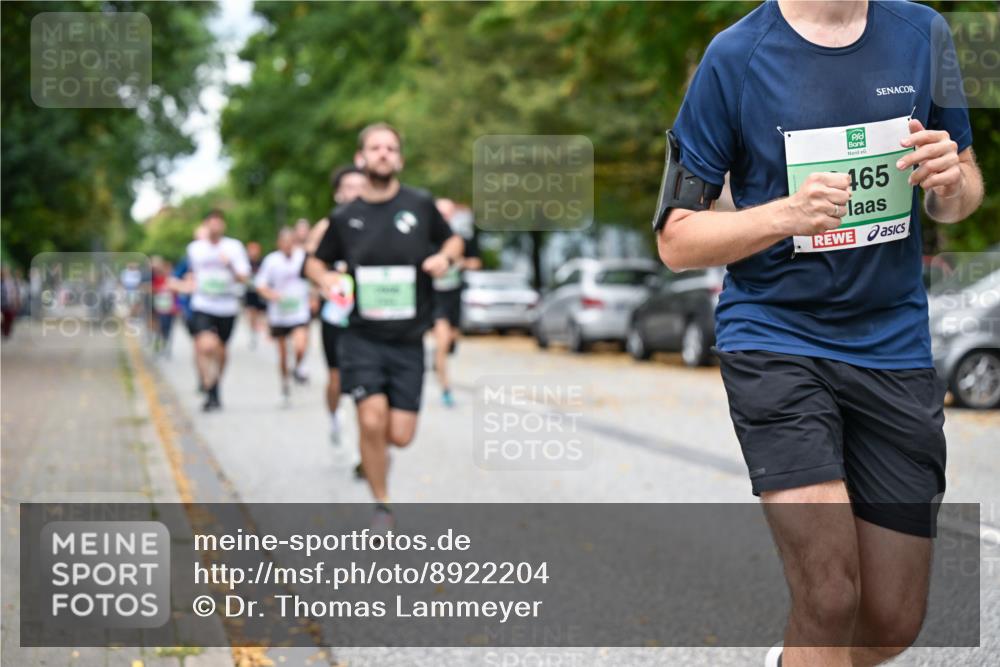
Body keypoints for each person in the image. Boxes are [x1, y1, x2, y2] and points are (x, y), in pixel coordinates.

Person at [654, 2, 984, 666]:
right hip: (776, 338)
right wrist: (786, 215)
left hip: (893, 344)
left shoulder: (924, 35)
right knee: (830, 595)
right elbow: (676, 239)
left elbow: (962, 186)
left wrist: (950, 183)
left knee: (892, 618)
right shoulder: (735, 56)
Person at [305, 123, 463, 531]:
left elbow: (454, 242)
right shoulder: (345, 217)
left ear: (400, 159)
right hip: (361, 337)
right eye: (375, 147)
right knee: (371, 420)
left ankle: (375, 457)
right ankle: (382, 504)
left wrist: (444, 258)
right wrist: (325, 280)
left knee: (400, 434)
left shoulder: (420, 204)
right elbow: (314, 262)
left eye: (391, 148)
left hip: (409, 339)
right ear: (361, 157)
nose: (383, 153)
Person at [307, 164, 368, 447]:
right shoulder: (326, 226)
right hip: (336, 314)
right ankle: (334, 417)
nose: (356, 193)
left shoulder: (375, 222)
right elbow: (309, 267)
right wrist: (324, 280)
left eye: (361, 186)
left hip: (369, 316)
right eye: (349, 188)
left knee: (366, 382)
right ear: (338, 194)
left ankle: (365, 446)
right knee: (337, 378)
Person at [183, 210, 251, 412]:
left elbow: (243, 277)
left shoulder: (234, 247)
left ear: (223, 226)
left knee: (221, 350)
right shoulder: (195, 249)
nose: (215, 227)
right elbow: (191, 274)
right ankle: (208, 384)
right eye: (211, 223)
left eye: (218, 223)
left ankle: (215, 386)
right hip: (203, 304)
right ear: (206, 225)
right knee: (206, 346)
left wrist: (229, 264)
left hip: (227, 305)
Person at [431, 200, 482, 407]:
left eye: (447, 213)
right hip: (435, 298)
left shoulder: (462, 237)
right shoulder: (427, 238)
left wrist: (461, 263)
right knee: (442, 343)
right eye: (439, 213)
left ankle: (438, 360)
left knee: (451, 342)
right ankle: (446, 388)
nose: (444, 217)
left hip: (455, 296)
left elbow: (476, 262)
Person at [255, 227, 312, 403]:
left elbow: (314, 278)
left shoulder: (302, 257)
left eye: (290, 241)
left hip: (299, 312)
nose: (287, 245)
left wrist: (314, 296)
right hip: (279, 314)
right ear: (279, 243)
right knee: (282, 355)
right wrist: (272, 295)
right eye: (284, 242)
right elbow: (260, 285)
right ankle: (284, 385)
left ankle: (298, 368)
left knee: (300, 346)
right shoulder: (271, 261)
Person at [150, 257, 178, 358]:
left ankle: (166, 348)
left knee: (168, 329)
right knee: (159, 329)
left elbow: (177, 293)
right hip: (159, 308)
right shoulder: (155, 279)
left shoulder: (173, 279)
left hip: (170, 309)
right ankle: (158, 347)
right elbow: (151, 290)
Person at [243, 241, 267, 349]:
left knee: (261, 313)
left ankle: (262, 331)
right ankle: (253, 334)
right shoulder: (245, 262)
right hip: (250, 291)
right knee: (251, 313)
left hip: (260, 291)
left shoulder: (263, 262)